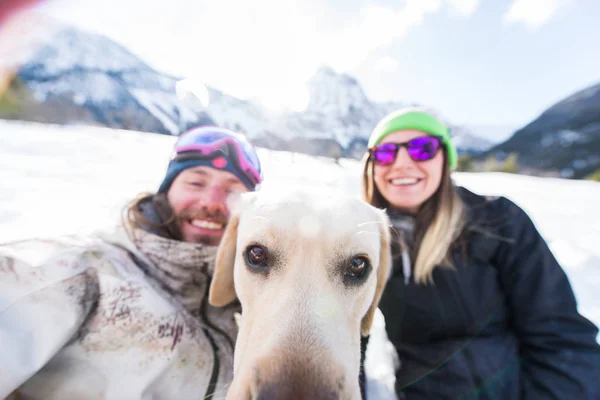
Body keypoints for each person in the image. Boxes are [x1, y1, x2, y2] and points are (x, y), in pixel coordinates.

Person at [0, 126, 263, 400]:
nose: (212, 203)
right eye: (195, 183)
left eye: (233, 193)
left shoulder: (252, 308)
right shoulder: (82, 270)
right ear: (166, 190)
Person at [359, 107, 600, 399]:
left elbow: (560, 337)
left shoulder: (497, 221)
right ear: (371, 165)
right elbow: (346, 341)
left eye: (422, 149)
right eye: (385, 153)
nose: (401, 163)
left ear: (445, 159)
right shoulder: (363, 245)